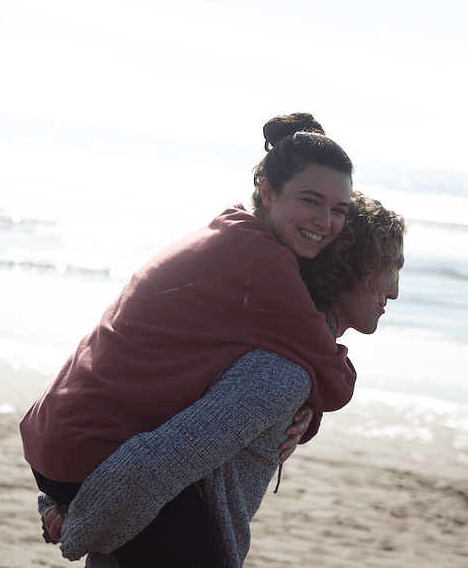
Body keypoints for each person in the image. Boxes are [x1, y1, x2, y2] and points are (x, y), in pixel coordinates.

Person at [20, 113, 358, 567]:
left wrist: (304, 410)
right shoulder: (266, 266)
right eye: (311, 201)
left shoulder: (230, 230)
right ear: (267, 191)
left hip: (56, 435)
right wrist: (311, 407)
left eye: (339, 210)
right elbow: (335, 378)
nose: (326, 222)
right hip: (97, 453)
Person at [39, 193, 406, 567]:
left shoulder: (264, 337)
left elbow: (151, 411)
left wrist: (71, 496)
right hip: (162, 538)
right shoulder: (282, 370)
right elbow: (160, 458)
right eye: (392, 269)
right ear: (351, 268)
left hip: (141, 527)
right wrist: (79, 520)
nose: (394, 291)